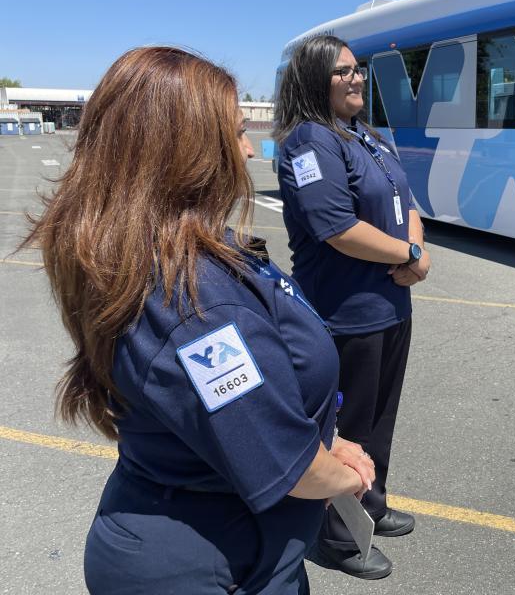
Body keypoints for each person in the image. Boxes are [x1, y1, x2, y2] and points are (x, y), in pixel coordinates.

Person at [23, 46, 375, 594]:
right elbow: (285, 463)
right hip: (210, 565)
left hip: (240, 545)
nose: (251, 147)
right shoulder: (195, 304)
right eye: (236, 132)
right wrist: (348, 474)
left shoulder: (159, 255)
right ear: (187, 154)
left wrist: (328, 441)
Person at [274, 35, 430, 579]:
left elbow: (404, 200)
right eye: (343, 72)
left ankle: (370, 503)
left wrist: (417, 252)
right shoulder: (308, 142)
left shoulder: (364, 135)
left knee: (380, 418)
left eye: (357, 69)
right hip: (345, 314)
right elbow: (336, 227)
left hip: (391, 307)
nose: (356, 78)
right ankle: (335, 536)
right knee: (348, 425)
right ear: (316, 80)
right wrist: (409, 254)